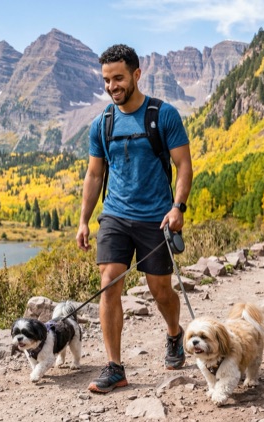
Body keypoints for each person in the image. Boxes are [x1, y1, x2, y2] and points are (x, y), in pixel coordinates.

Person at [76, 44, 193, 394]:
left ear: (136, 75)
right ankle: (114, 367)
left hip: (156, 219)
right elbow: (94, 175)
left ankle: (175, 334)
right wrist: (84, 220)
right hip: (114, 216)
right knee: (109, 281)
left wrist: (178, 207)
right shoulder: (103, 123)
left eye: (118, 78)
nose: (112, 86)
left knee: (160, 291)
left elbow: (183, 166)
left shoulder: (163, 114)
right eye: (106, 80)